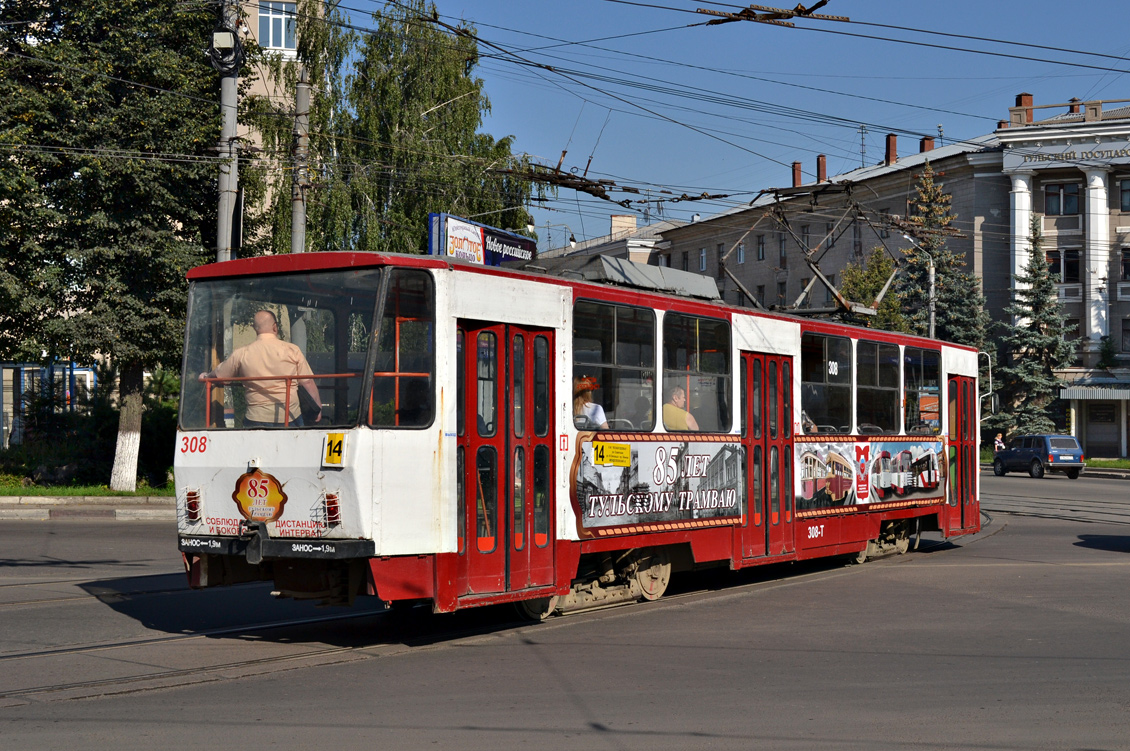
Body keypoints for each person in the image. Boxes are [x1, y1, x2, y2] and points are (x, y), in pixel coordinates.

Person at [199, 310, 321, 427]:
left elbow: (220, 376)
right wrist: (318, 408)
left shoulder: (241, 353)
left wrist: (206, 376)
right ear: (275, 327)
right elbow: (308, 383)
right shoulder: (292, 350)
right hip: (289, 416)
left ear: (254, 328)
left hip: (256, 418)